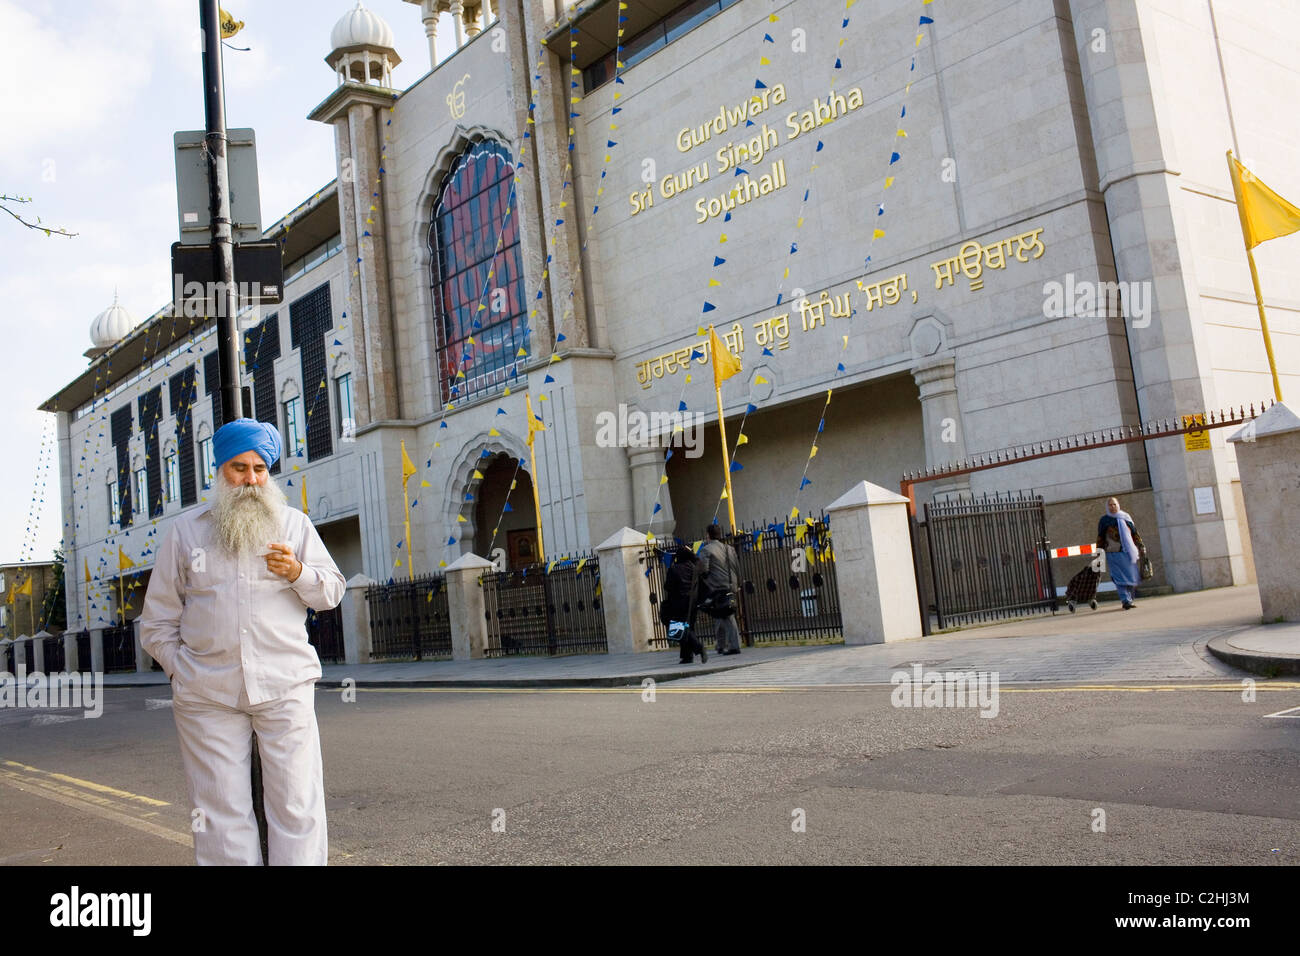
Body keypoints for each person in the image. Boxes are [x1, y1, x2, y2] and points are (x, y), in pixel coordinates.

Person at [140, 418, 345, 865]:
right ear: (219, 470)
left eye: (259, 469)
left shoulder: (293, 525)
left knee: (296, 805)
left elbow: (331, 592)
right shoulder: (187, 532)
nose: (250, 479)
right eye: (239, 468)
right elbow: (156, 621)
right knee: (219, 813)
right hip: (207, 692)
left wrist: (297, 573)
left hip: (284, 683)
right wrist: (182, 671)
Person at [697, 523, 742, 655]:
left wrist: (704, 579)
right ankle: (721, 644)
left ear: (708, 535)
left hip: (718, 586)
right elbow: (736, 566)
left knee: (727, 615)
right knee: (719, 614)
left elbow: (703, 569)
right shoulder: (729, 548)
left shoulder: (706, 549)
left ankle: (735, 646)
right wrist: (738, 582)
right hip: (731, 583)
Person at [1096, 496, 1146, 610]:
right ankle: (1125, 600)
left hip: (1128, 553)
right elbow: (1100, 537)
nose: (1112, 507)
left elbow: (1134, 533)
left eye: (1114, 504)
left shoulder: (1125, 518)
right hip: (1113, 553)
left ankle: (1130, 599)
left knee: (1131, 577)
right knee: (1119, 578)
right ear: (1107, 507)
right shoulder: (1104, 520)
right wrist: (1099, 552)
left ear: (1118, 505)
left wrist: (1141, 546)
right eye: (1110, 505)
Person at [661, 544, 706, 664]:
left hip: (678, 603)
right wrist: (692, 555)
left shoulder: (674, 568)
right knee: (689, 626)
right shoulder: (694, 567)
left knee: (681, 627)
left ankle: (698, 647)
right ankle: (687, 656)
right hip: (693, 602)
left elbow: (667, 586)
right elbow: (702, 567)